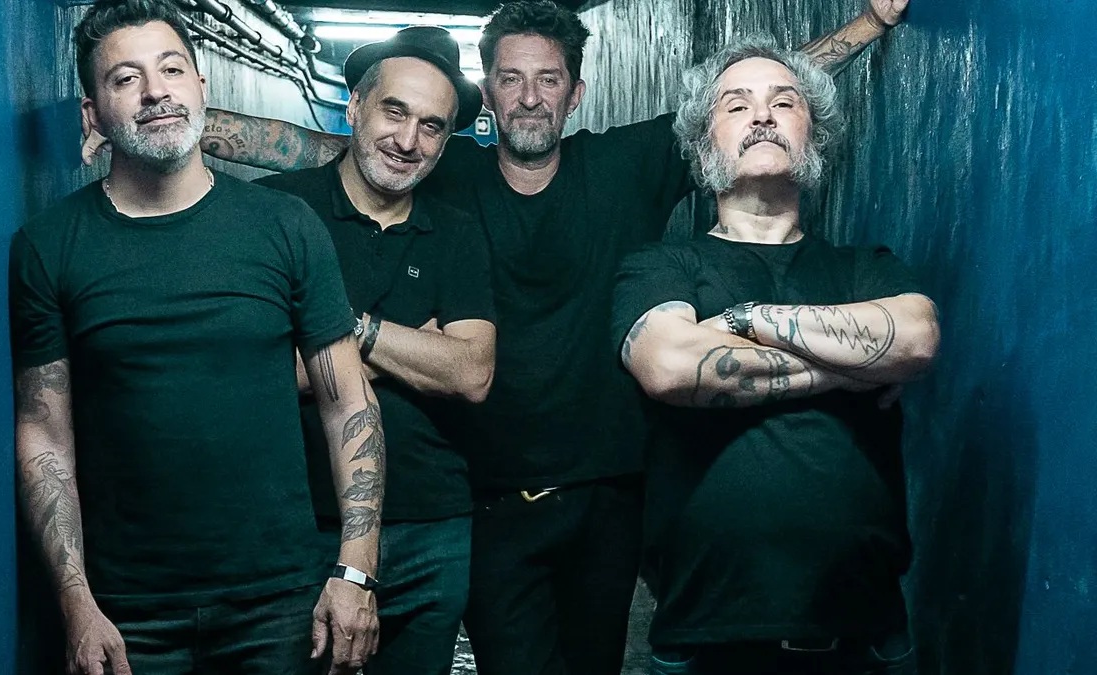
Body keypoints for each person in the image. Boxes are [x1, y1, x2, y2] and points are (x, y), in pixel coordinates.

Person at [81, 2, 910, 672]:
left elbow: (749, 109)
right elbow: (313, 145)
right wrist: (160, 125)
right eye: (510, 78)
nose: (529, 97)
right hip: (490, 498)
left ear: (575, 93)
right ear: (489, 89)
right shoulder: (446, 167)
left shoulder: (623, 165)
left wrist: (867, 25)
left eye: (548, 79)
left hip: (609, 491)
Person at [9, 1, 384, 673]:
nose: (155, 91)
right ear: (93, 114)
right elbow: (45, 435)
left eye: (172, 69)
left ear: (201, 87)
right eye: (126, 78)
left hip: (279, 603)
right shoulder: (50, 246)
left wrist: (355, 572)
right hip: (128, 612)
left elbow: (348, 404)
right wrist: (75, 601)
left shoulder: (285, 226)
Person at [612, 35, 940, 675]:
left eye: (784, 102)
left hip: (864, 634)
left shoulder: (864, 267)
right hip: (707, 637)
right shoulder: (662, 266)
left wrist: (744, 321)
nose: (762, 115)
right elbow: (670, 366)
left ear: (814, 135)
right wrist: (848, 363)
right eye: (736, 106)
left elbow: (915, 338)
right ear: (703, 144)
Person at [253, 26, 497, 675]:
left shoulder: (457, 232)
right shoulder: (278, 210)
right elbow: (254, 367)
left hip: (431, 528)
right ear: (356, 105)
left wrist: (341, 332)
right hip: (299, 526)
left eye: (431, 126)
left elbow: (472, 372)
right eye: (394, 111)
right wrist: (416, 348)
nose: (407, 140)